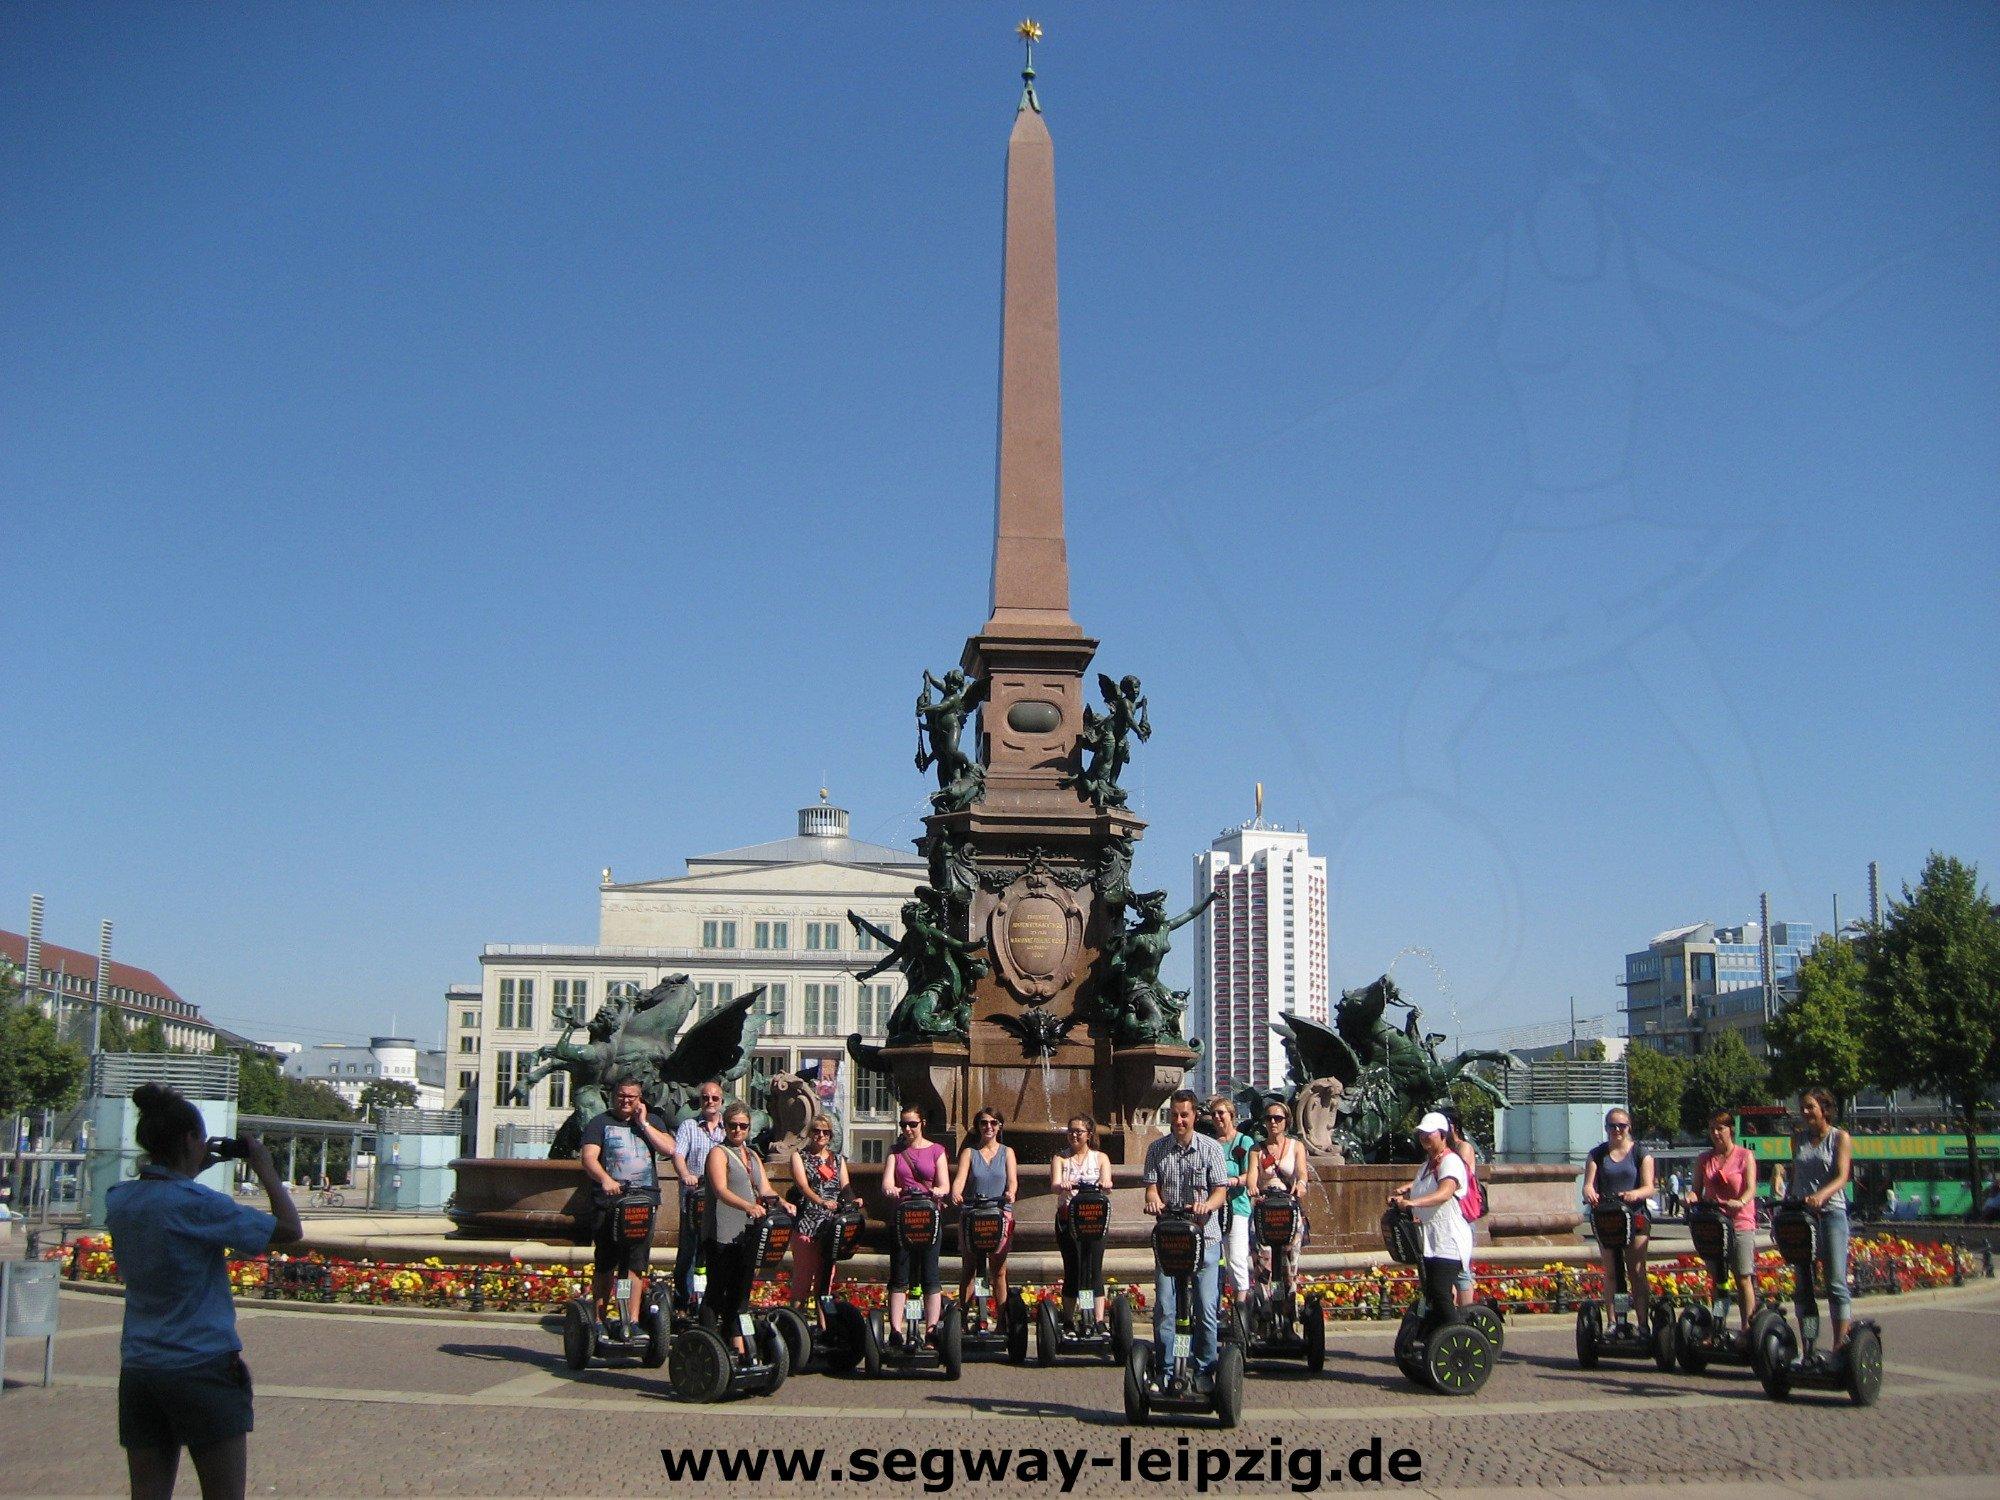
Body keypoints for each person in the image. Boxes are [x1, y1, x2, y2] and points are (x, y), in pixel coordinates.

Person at [106, 1082, 303, 1500]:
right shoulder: (198, 1204)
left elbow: (164, 1195)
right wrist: (265, 1168)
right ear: (193, 1139)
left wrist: (187, 1170)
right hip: (201, 1364)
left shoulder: (120, 1199)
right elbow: (288, 1230)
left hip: (141, 1366)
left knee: (147, 1492)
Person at [1141, 1090, 1230, 1393]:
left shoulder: (1210, 1149)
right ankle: (1166, 1369)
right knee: (1166, 1306)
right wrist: (1153, 1200)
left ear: (1193, 1116)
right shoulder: (1157, 1149)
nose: (1179, 1121)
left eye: (1184, 1115)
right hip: (1170, 1241)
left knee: (1205, 1307)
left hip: (1204, 1237)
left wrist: (1209, 1205)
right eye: (1174, 1115)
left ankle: (1205, 1367)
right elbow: (1152, 1188)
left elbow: (1220, 1190)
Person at [577, 1077, 680, 1329]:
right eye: (622, 1096)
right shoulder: (600, 1122)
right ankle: (599, 1319)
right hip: (609, 1203)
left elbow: (670, 1149)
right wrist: (605, 1178)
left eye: (631, 1097)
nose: (626, 1101)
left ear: (640, 1099)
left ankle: (631, 1319)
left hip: (642, 1204)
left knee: (634, 1265)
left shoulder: (652, 1121)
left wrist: (643, 1123)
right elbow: (588, 1157)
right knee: (605, 1263)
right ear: (614, 1096)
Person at [1389, 1111, 1472, 1343]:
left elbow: (1445, 1193)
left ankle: (1460, 1340)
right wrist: (1402, 1197)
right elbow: (1418, 1191)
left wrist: (1412, 1203)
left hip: (1449, 1240)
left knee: (1440, 1292)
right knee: (1431, 1294)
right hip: (1429, 1241)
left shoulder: (1451, 1161)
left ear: (1442, 1134)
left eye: (1429, 1133)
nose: (1424, 1137)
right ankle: (1434, 1340)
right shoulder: (1425, 1167)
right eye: (1421, 1133)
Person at [701, 1102, 772, 1357]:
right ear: (725, 1126)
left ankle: (738, 1344)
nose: (738, 1130)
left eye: (743, 1126)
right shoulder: (718, 1153)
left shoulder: (752, 1155)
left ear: (749, 1128)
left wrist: (782, 1203)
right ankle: (708, 1345)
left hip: (745, 1234)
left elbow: (765, 1189)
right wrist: (748, 1206)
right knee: (716, 1291)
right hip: (721, 1232)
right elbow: (721, 1191)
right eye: (733, 1126)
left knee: (741, 1292)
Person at [1786, 1086, 1854, 1352]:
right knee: (1804, 1285)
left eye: (1810, 1107)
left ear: (1824, 1109)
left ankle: (1840, 1345)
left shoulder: (1839, 1138)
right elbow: (1795, 1175)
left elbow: (1842, 1176)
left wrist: (1821, 1196)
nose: (1804, 1112)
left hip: (1831, 1214)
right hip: (1803, 1217)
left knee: (1835, 1282)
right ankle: (1809, 1346)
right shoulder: (1797, 1139)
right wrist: (1788, 1203)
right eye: (1802, 1107)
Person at [1581, 1107, 1655, 1325]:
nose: (1616, 1130)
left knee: (1636, 1271)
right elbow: (1587, 1186)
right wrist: (1590, 1193)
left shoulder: (1641, 1154)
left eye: (1621, 1126)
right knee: (1612, 1272)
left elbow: (1649, 1188)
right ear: (1606, 1128)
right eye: (1612, 1126)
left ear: (1629, 1127)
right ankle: (1615, 1322)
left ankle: (1642, 1324)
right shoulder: (1597, 1154)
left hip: (1636, 1216)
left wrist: (1634, 1194)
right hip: (1609, 1218)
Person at [884, 1107, 950, 1347]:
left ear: (922, 1123)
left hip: (929, 1219)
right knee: (900, 1275)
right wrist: (891, 1189)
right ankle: (896, 1330)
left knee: (930, 1273)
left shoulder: (936, 1151)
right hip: (903, 1219)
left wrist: (939, 1190)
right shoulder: (896, 1152)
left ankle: (931, 1330)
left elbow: (945, 1184)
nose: (908, 1129)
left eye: (912, 1124)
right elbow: (887, 1182)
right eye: (904, 1125)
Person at [1692, 1110, 1760, 1334]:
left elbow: (1751, 1189)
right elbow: (1696, 1191)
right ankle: (1718, 1326)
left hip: (1739, 1222)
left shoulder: (1744, 1156)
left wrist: (1740, 1201)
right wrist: (1690, 1199)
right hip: (1714, 1224)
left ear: (1731, 1130)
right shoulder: (1704, 1159)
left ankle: (1748, 1328)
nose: (1715, 1133)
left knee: (1742, 1277)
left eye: (1720, 1128)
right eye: (1712, 1128)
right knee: (1718, 1278)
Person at [951, 1109, 1020, 1313]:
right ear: (977, 1126)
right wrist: (956, 1193)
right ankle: (963, 1317)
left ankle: (1001, 1319)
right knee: (969, 1268)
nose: (988, 1126)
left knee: (999, 1270)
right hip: (973, 1214)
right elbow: (959, 1180)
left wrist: (1011, 1192)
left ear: (999, 1126)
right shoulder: (969, 1153)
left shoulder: (1007, 1152)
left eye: (993, 1122)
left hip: (998, 1214)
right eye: (983, 1123)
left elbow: (1013, 1180)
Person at [1050, 1115, 1115, 1330]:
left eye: (1079, 1131)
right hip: (1068, 1219)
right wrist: (1063, 1185)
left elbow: (1107, 1183)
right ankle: (1068, 1319)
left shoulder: (1100, 1158)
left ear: (1089, 1135)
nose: (1074, 1135)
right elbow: (1055, 1184)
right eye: (1071, 1131)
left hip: (1094, 1220)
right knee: (1074, 1268)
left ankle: (1098, 1320)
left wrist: (1106, 1183)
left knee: (1094, 1268)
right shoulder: (1060, 1158)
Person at [1250, 1098, 1312, 1308]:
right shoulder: (1256, 1150)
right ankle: (1266, 1302)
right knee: (1262, 1254)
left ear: (1287, 1121)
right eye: (1269, 1118)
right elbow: (1252, 1177)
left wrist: (1301, 1184)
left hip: (1287, 1206)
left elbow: (1302, 1173)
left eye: (1278, 1118)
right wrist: (1252, 1187)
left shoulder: (1297, 1147)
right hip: (1265, 1206)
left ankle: (1289, 1304)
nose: (1273, 1122)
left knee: (1291, 1256)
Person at [672, 1080, 728, 1307]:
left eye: (715, 1098)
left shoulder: (730, 1128)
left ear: (721, 1101)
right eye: (706, 1098)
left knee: (718, 1249)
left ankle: (713, 1300)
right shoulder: (689, 1126)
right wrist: (686, 1173)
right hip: (694, 1198)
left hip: (721, 1200)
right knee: (689, 1250)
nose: (710, 1102)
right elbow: (678, 1155)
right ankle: (684, 1299)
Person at [787, 1113, 850, 1308]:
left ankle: (826, 1327)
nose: (821, 1135)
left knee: (826, 1283)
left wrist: (853, 1200)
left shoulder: (838, 1160)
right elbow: (803, 1187)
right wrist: (821, 1201)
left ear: (831, 1135)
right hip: (807, 1225)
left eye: (825, 1132)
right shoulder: (799, 1157)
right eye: (816, 1131)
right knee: (802, 1281)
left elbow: (846, 1187)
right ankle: (795, 1322)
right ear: (809, 1133)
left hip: (830, 1226)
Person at [1206, 1096, 1258, 1301]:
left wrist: (1232, 1181)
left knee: (1236, 1258)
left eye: (1221, 1113)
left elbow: (1251, 1175)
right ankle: (1214, 1305)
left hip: (1236, 1207)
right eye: (1214, 1114)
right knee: (1211, 1260)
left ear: (1232, 1116)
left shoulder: (1244, 1142)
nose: (1217, 1118)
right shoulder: (1210, 1144)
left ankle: (1240, 1307)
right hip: (1213, 1208)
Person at [1439, 1108, 1482, 1309]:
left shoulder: (1463, 1148)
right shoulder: (1441, 1152)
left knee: (1463, 1271)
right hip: (1447, 1217)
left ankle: (1467, 1316)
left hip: (1463, 1216)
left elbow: (1456, 1177)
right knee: (1448, 1270)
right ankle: (1451, 1317)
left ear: (1452, 1127)